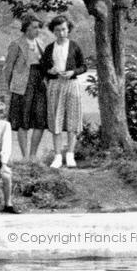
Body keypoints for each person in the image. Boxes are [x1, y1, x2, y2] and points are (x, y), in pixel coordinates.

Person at [40, 15, 87, 168]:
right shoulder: (49, 48)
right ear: (53, 31)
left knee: (72, 120)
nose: (61, 33)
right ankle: (58, 157)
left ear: (69, 30)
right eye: (58, 30)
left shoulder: (74, 46)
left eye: (64, 29)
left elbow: (84, 66)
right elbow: (43, 69)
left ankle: (70, 155)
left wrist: (73, 72)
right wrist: (50, 71)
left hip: (71, 85)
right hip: (55, 86)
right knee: (56, 121)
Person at [3, 13, 47, 160]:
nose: (37, 30)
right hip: (22, 85)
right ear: (26, 28)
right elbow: (8, 67)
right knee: (23, 120)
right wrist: (10, 86)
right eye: (34, 27)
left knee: (40, 120)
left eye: (38, 27)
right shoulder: (16, 44)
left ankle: (33, 154)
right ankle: (25, 156)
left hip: (39, 83)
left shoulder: (41, 42)